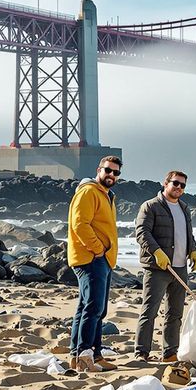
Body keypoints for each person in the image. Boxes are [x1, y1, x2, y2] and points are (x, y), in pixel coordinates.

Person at [133, 170, 196, 363]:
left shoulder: (184, 208)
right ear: (165, 183)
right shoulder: (150, 206)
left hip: (180, 267)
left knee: (175, 313)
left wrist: (193, 251)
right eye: (175, 183)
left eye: (182, 185)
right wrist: (157, 252)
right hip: (157, 268)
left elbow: (189, 234)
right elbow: (142, 233)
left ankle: (170, 353)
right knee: (150, 311)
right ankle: (141, 352)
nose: (178, 188)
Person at [67, 155, 123, 372]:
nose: (111, 175)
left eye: (116, 172)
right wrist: (98, 249)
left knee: (90, 307)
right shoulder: (89, 191)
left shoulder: (107, 195)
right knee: (94, 307)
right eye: (108, 170)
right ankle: (85, 355)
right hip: (91, 258)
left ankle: (87, 355)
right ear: (99, 169)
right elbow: (80, 224)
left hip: (102, 259)